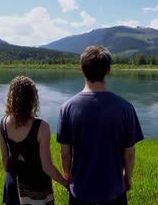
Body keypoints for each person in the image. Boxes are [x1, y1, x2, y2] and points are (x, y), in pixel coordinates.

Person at [57, 46, 144, 205]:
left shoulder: (67, 108)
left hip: (80, 191)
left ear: (82, 70)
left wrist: (67, 176)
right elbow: (129, 154)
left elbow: (65, 154)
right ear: (108, 70)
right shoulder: (126, 108)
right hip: (114, 190)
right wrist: (127, 179)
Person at [0, 76, 69, 205]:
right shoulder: (42, 127)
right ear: (33, 99)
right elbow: (47, 166)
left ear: (11, 98)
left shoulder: (3, 122)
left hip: (12, 185)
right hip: (36, 187)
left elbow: (4, 158)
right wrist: (66, 184)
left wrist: (13, 178)